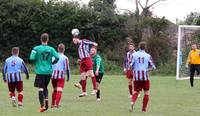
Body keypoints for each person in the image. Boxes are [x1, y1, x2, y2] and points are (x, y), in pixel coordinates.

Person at [30, 33, 59, 112]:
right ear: (47, 40)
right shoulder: (51, 49)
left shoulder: (36, 48)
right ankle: (46, 100)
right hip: (49, 71)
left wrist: (37, 60)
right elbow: (57, 57)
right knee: (45, 87)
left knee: (40, 88)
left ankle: (42, 106)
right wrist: (52, 63)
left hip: (40, 71)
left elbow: (31, 58)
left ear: (40, 39)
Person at [129, 41, 156, 112]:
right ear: (145, 48)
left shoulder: (134, 55)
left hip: (137, 77)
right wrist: (148, 69)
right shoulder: (148, 55)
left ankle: (132, 102)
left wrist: (134, 70)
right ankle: (143, 109)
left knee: (135, 91)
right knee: (146, 92)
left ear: (139, 47)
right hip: (145, 77)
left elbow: (130, 65)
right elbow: (153, 66)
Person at [51, 43, 71, 108]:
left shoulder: (53, 57)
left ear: (57, 49)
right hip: (61, 76)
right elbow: (67, 68)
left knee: (55, 89)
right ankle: (57, 104)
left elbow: (50, 65)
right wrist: (68, 76)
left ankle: (52, 104)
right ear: (64, 50)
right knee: (59, 90)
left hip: (53, 75)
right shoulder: (65, 58)